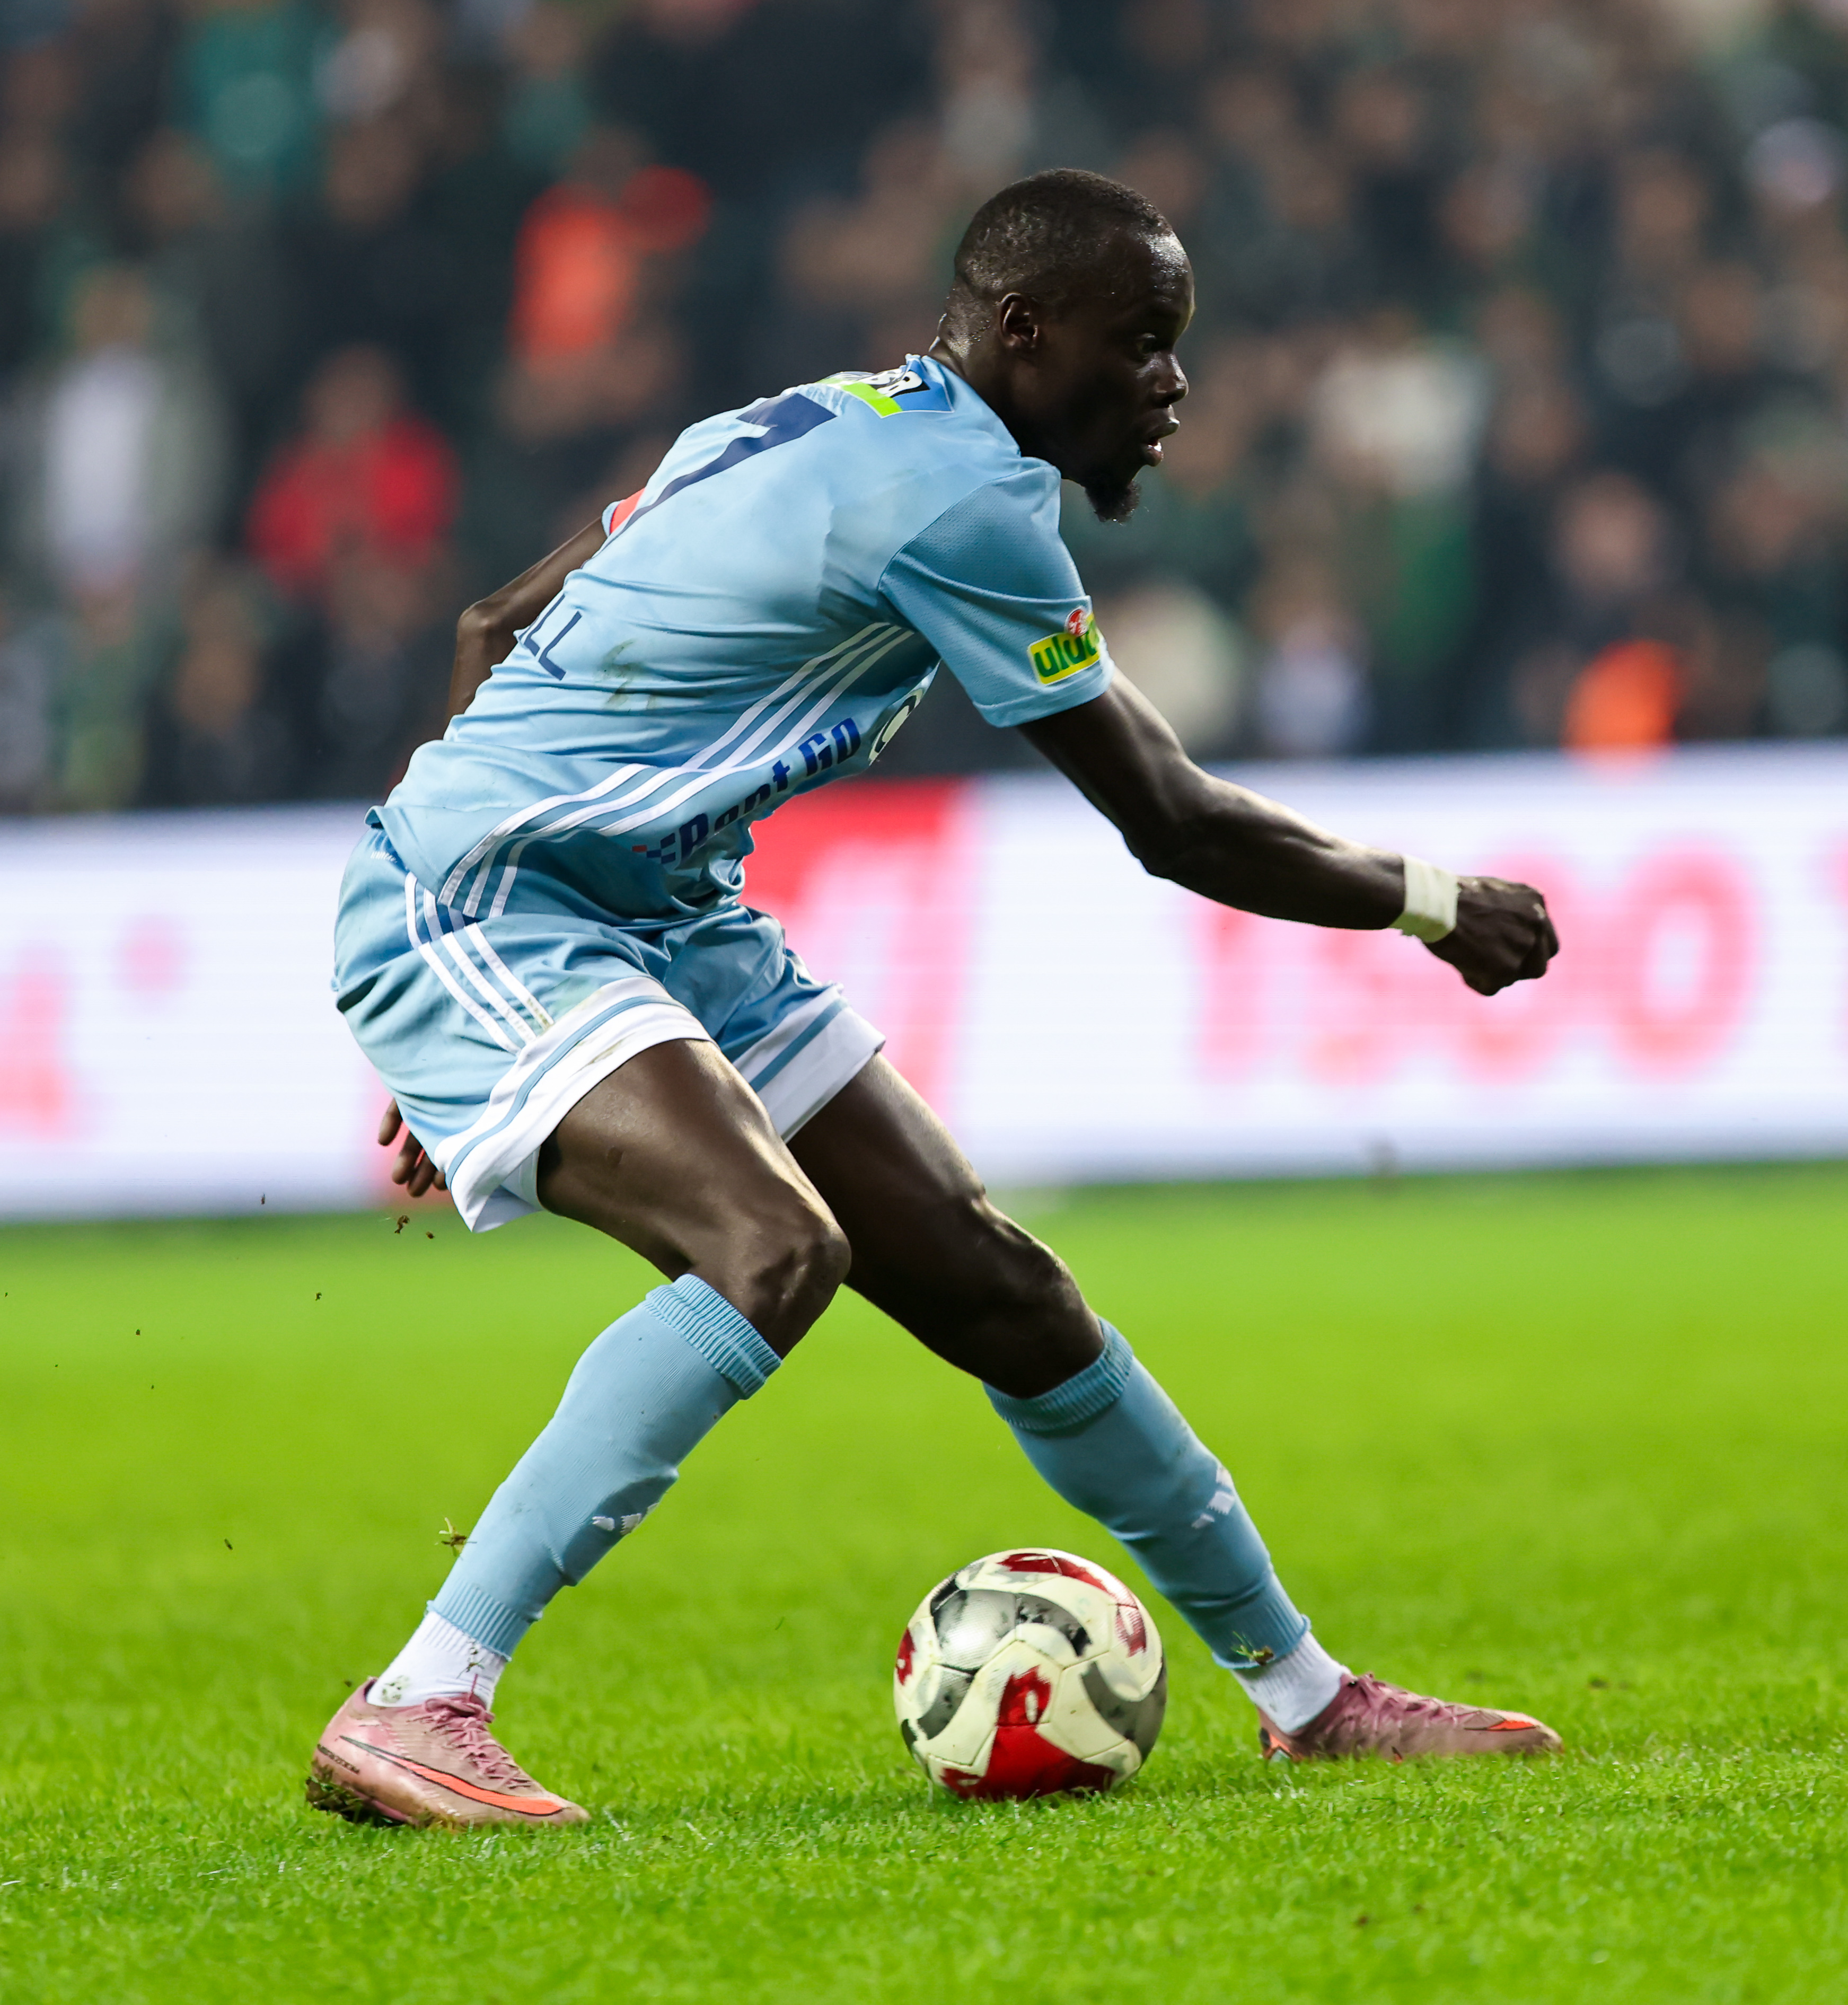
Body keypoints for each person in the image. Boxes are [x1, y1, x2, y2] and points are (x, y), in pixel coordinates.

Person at [309, 170, 1562, 1830]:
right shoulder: (963, 503)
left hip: (650, 912)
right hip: (497, 904)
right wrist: (1431, 902)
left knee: (1002, 1289)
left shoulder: (806, 420)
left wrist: (491, 1054)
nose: (1172, 383)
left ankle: (1310, 1701)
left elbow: (493, 622)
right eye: (1143, 342)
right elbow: (1172, 821)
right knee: (774, 1249)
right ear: (1025, 331)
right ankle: (420, 1700)